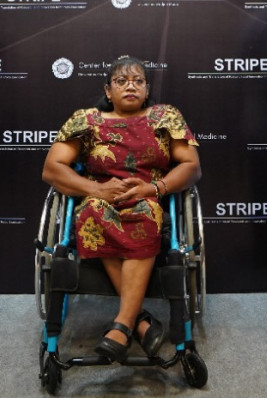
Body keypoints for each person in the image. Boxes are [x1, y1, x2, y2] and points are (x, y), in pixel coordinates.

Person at [42, 55, 202, 362]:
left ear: (146, 88)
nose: (131, 86)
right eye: (121, 81)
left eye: (138, 81)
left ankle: (123, 324)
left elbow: (191, 166)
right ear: (107, 90)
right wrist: (97, 189)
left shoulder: (164, 116)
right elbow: (52, 168)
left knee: (144, 212)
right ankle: (139, 321)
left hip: (149, 197)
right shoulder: (87, 120)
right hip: (98, 199)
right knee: (91, 212)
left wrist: (154, 188)